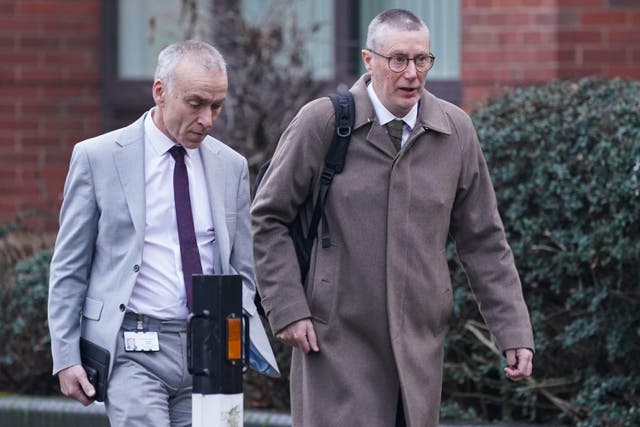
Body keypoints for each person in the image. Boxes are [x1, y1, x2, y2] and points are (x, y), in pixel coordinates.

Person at [251, 8, 534, 427]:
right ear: (369, 60)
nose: (412, 73)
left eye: (422, 60)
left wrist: (513, 332)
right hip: (334, 343)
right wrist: (289, 309)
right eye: (398, 59)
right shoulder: (323, 122)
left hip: (418, 348)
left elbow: (484, 241)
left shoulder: (455, 131)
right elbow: (268, 218)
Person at [48, 40, 279, 427]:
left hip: (212, 348)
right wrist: (67, 355)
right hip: (132, 347)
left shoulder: (231, 166)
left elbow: (242, 268)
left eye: (217, 106)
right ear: (160, 92)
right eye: (196, 103)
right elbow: (69, 267)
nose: (208, 119)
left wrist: (235, 338)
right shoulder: (98, 158)